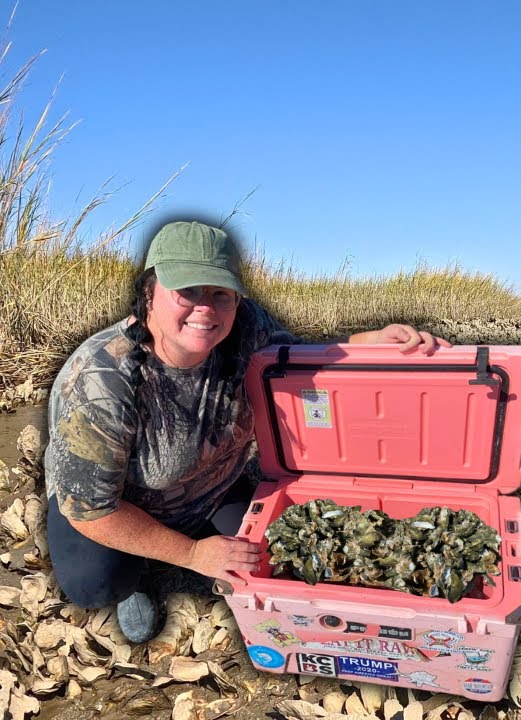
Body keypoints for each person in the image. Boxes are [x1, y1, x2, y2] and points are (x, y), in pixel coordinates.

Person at [43, 220, 452, 642]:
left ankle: (190, 532)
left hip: (212, 486)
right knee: (94, 583)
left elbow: (295, 359)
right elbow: (91, 510)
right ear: (149, 293)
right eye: (188, 290)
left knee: (286, 551)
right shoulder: (102, 378)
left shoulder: (245, 326)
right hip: (115, 502)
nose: (206, 308)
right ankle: (139, 576)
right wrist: (193, 553)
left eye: (220, 293)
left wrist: (369, 341)